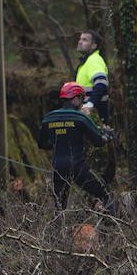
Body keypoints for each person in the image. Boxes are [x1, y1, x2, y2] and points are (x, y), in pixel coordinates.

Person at [38, 81, 112, 210]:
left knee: (59, 207)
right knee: (104, 195)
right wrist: (107, 135)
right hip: (78, 167)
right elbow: (98, 141)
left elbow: (42, 144)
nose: (82, 103)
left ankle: (57, 230)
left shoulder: (48, 118)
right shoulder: (80, 118)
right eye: (82, 99)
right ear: (76, 99)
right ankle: (111, 227)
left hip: (58, 167)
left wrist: (57, 142)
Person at [74, 30, 110, 124]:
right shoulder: (86, 61)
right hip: (88, 113)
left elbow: (101, 84)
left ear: (94, 45)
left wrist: (90, 104)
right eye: (80, 39)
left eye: (85, 40)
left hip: (94, 113)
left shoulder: (93, 60)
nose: (80, 42)